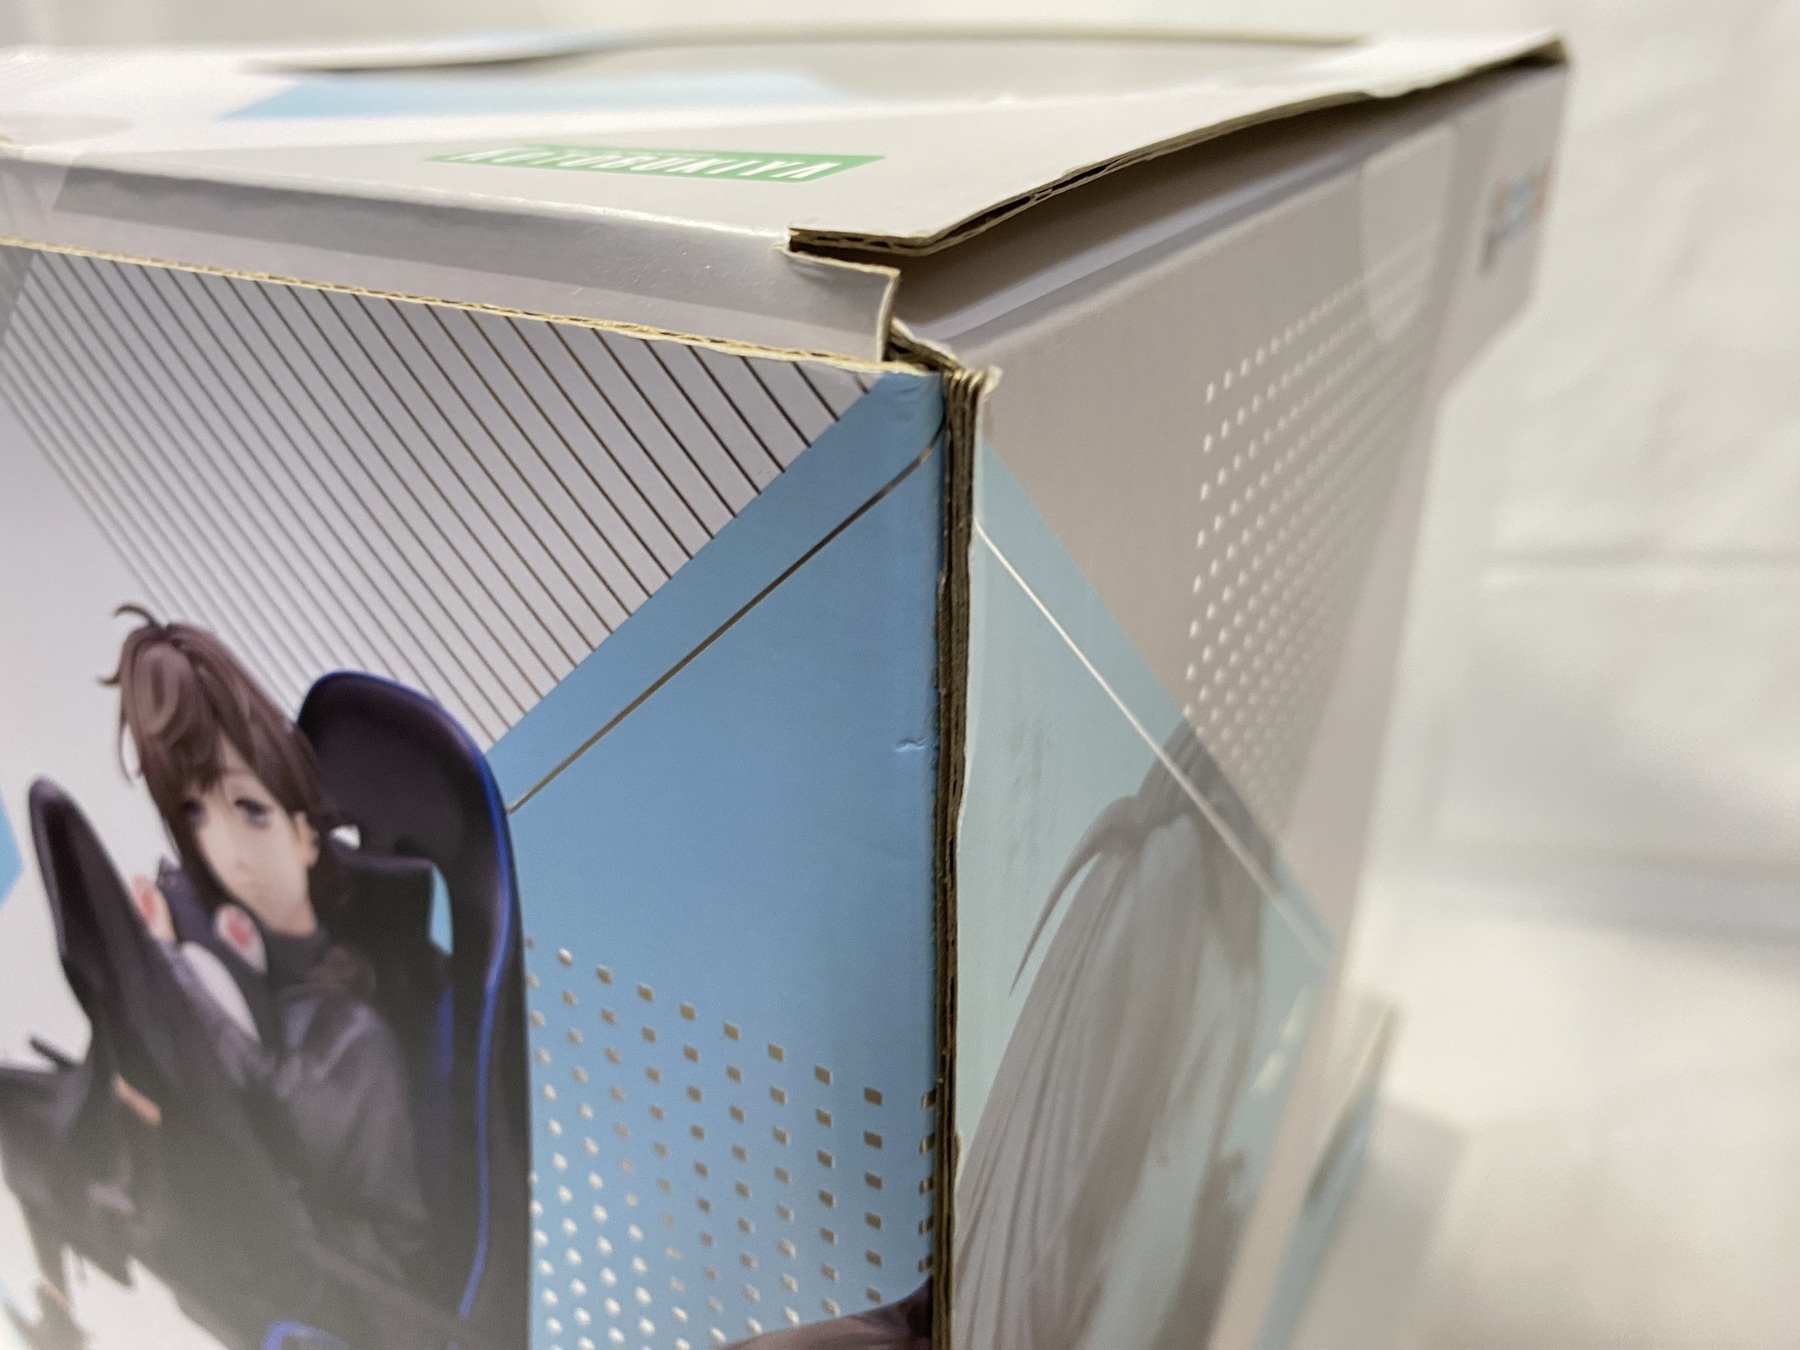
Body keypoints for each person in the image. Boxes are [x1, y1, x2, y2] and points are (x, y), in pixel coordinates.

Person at [107, 608, 430, 1289]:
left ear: (305, 833)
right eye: (194, 815)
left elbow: (271, 1114)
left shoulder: (355, 1040)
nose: (226, 850)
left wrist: (170, 975)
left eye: (250, 811)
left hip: (368, 1297)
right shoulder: (246, 976)